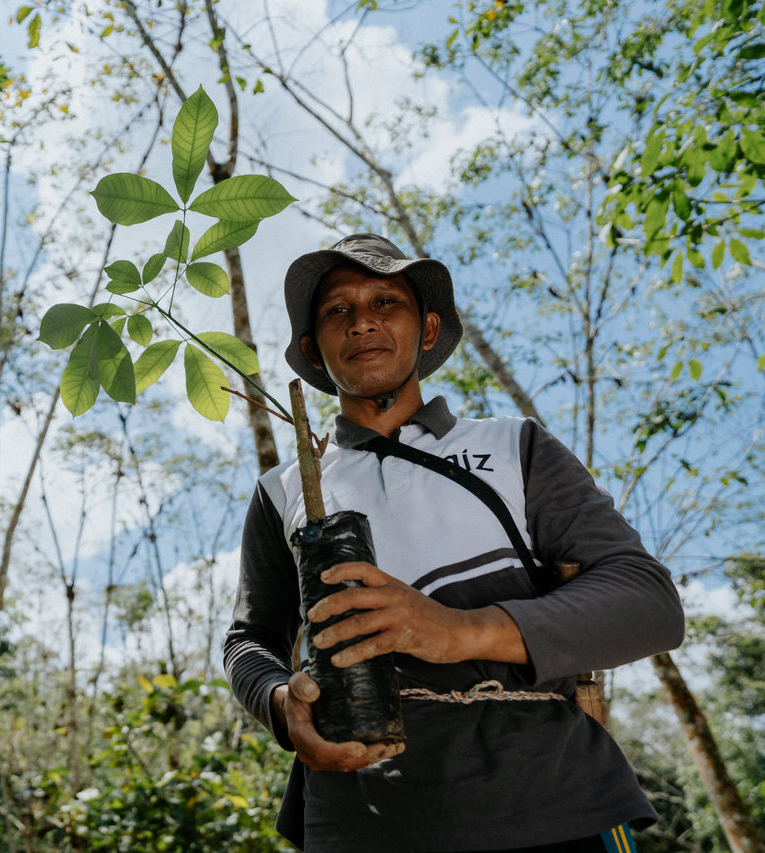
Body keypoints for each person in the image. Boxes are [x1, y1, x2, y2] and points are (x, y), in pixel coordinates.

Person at [223, 233, 685, 852]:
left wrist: (457, 631)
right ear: (312, 348)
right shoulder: (282, 492)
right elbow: (249, 640)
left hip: (555, 796)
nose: (361, 322)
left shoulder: (514, 446)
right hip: (361, 820)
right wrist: (282, 703)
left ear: (429, 328)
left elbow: (647, 602)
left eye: (385, 302)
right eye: (337, 310)